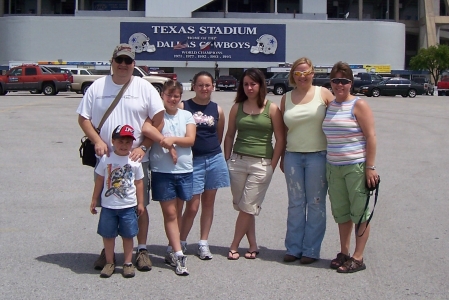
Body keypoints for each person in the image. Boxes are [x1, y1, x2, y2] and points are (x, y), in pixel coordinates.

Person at [77, 43, 165, 272]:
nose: (124, 65)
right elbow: (83, 119)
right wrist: (97, 141)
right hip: (107, 159)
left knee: (139, 206)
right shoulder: (97, 87)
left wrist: (144, 146)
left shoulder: (144, 87)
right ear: (112, 62)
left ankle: (142, 250)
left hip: (136, 161)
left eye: (128, 61)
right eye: (120, 60)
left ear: (134, 64)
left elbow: (159, 120)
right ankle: (108, 253)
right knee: (109, 204)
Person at [322, 61, 379, 273]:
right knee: (342, 213)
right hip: (333, 167)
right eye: (336, 80)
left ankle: (358, 256)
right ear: (331, 82)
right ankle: (344, 252)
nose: (339, 85)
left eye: (344, 81)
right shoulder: (331, 105)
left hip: (355, 166)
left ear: (351, 83)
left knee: (360, 213)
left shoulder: (358, 105)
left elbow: (371, 136)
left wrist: (370, 167)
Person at [224, 68, 284, 260]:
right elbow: (230, 135)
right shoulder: (237, 107)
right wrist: (227, 160)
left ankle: (234, 245)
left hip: (261, 164)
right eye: (246, 84)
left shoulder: (272, 108)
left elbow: (281, 139)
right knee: (245, 207)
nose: (249, 88)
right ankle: (253, 245)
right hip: (237, 162)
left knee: (248, 206)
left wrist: (272, 166)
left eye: (253, 84)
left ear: (261, 85)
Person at [280, 57, 334, 264]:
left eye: (306, 72)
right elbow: (283, 132)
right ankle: (293, 248)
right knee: (295, 203)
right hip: (293, 155)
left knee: (316, 203)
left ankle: (311, 249)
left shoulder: (323, 93)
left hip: (318, 155)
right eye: (298, 73)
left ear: (313, 73)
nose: (302, 76)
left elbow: (343, 112)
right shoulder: (286, 97)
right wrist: (283, 156)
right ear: (292, 74)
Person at [143, 80, 196, 276]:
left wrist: (171, 141)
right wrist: (169, 146)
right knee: (171, 214)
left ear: (180, 97)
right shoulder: (157, 116)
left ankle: (172, 248)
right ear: (162, 95)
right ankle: (179, 253)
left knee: (179, 212)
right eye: (168, 95)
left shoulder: (187, 115)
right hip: (162, 172)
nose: (172, 99)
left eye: (176, 96)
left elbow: (190, 139)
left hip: (184, 170)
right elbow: (147, 129)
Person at [179, 71, 230, 260]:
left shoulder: (217, 109)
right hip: (193, 161)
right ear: (194, 86)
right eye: (200, 85)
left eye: (208, 85)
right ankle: (180, 242)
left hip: (214, 159)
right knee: (192, 206)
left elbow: (219, 134)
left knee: (209, 204)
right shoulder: (184, 106)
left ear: (213, 87)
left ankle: (203, 243)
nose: (204, 88)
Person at [90, 125, 145, 278]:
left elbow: (139, 182)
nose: (124, 145)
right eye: (120, 141)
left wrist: (140, 203)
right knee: (108, 235)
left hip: (128, 206)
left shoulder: (134, 161)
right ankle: (109, 262)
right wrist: (94, 199)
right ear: (113, 141)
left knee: (128, 235)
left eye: (128, 142)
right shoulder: (106, 158)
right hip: (109, 206)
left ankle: (127, 263)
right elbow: (100, 179)